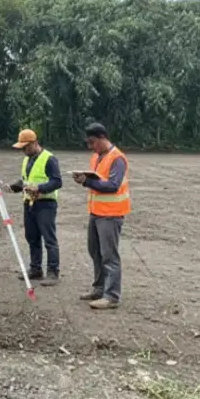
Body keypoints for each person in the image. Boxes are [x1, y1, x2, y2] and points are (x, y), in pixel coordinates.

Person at [72, 122, 130, 309]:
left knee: (109, 256)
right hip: (96, 212)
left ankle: (111, 296)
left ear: (102, 137)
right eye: (88, 143)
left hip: (111, 215)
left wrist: (87, 181)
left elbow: (113, 185)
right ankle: (99, 289)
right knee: (95, 252)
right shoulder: (96, 157)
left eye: (92, 142)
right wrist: (85, 179)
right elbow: (98, 180)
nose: (91, 147)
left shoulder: (117, 158)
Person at [7, 129, 62, 286]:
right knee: (32, 237)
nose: (23, 151)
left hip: (46, 204)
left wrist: (39, 188)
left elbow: (57, 181)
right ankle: (35, 269)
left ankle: (53, 272)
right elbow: (26, 179)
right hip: (29, 203)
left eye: (25, 147)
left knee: (49, 238)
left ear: (35, 143)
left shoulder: (49, 159)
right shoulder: (27, 159)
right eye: (22, 148)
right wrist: (15, 187)